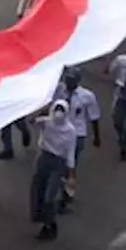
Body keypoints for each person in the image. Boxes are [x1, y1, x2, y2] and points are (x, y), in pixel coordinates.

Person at [53, 67, 101, 213]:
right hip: (59, 133)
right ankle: (64, 191)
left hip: (76, 135)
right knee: (59, 165)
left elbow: (94, 117)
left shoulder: (87, 96)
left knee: (69, 165)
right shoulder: (59, 90)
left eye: (72, 80)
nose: (69, 83)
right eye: (67, 79)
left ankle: (64, 196)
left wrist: (96, 136)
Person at [29, 100, 77, 240]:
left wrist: (71, 175)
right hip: (44, 158)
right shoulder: (46, 122)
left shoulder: (70, 131)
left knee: (49, 196)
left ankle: (50, 224)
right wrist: (41, 107)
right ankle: (44, 222)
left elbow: (70, 153)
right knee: (38, 191)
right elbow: (31, 121)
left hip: (58, 163)